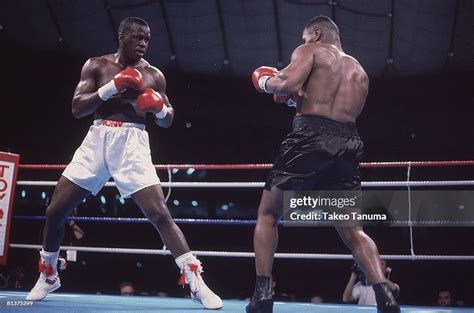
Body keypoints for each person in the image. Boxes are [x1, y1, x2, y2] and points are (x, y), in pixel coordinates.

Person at [26, 17, 222, 310]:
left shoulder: (154, 75)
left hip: (133, 143)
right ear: (121, 37)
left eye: (147, 39)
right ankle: (50, 273)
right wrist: (111, 88)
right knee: (55, 210)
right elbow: (78, 109)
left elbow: (169, 119)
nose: (143, 44)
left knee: (159, 214)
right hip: (97, 140)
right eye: (137, 38)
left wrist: (158, 109)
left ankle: (196, 282)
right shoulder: (97, 65)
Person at [247, 16, 400, 313]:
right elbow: (334, 107)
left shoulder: (311, 51)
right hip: (349, 143)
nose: (303, 43)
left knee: (267, 214)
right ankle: (385, 296)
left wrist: (265, 81)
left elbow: (287, 82)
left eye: (306, 38)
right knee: (353, 229)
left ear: (316, 34)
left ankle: (263, 295)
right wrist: (295, 100)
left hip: (309, 137)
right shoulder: (360, 71)